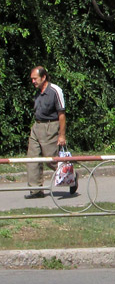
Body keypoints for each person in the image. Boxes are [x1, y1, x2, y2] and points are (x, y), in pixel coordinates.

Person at [26, 66, 67, 199]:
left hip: (50, 127)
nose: (33, 81)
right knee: (32, 158)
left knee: (51, 159)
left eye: (35, 79)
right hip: (37, 126)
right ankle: (36, 190)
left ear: (43, 77)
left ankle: (70, 175)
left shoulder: (55, 90)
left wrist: (62, 135)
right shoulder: (37, 92)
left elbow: (61, 114)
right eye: (32, 79)